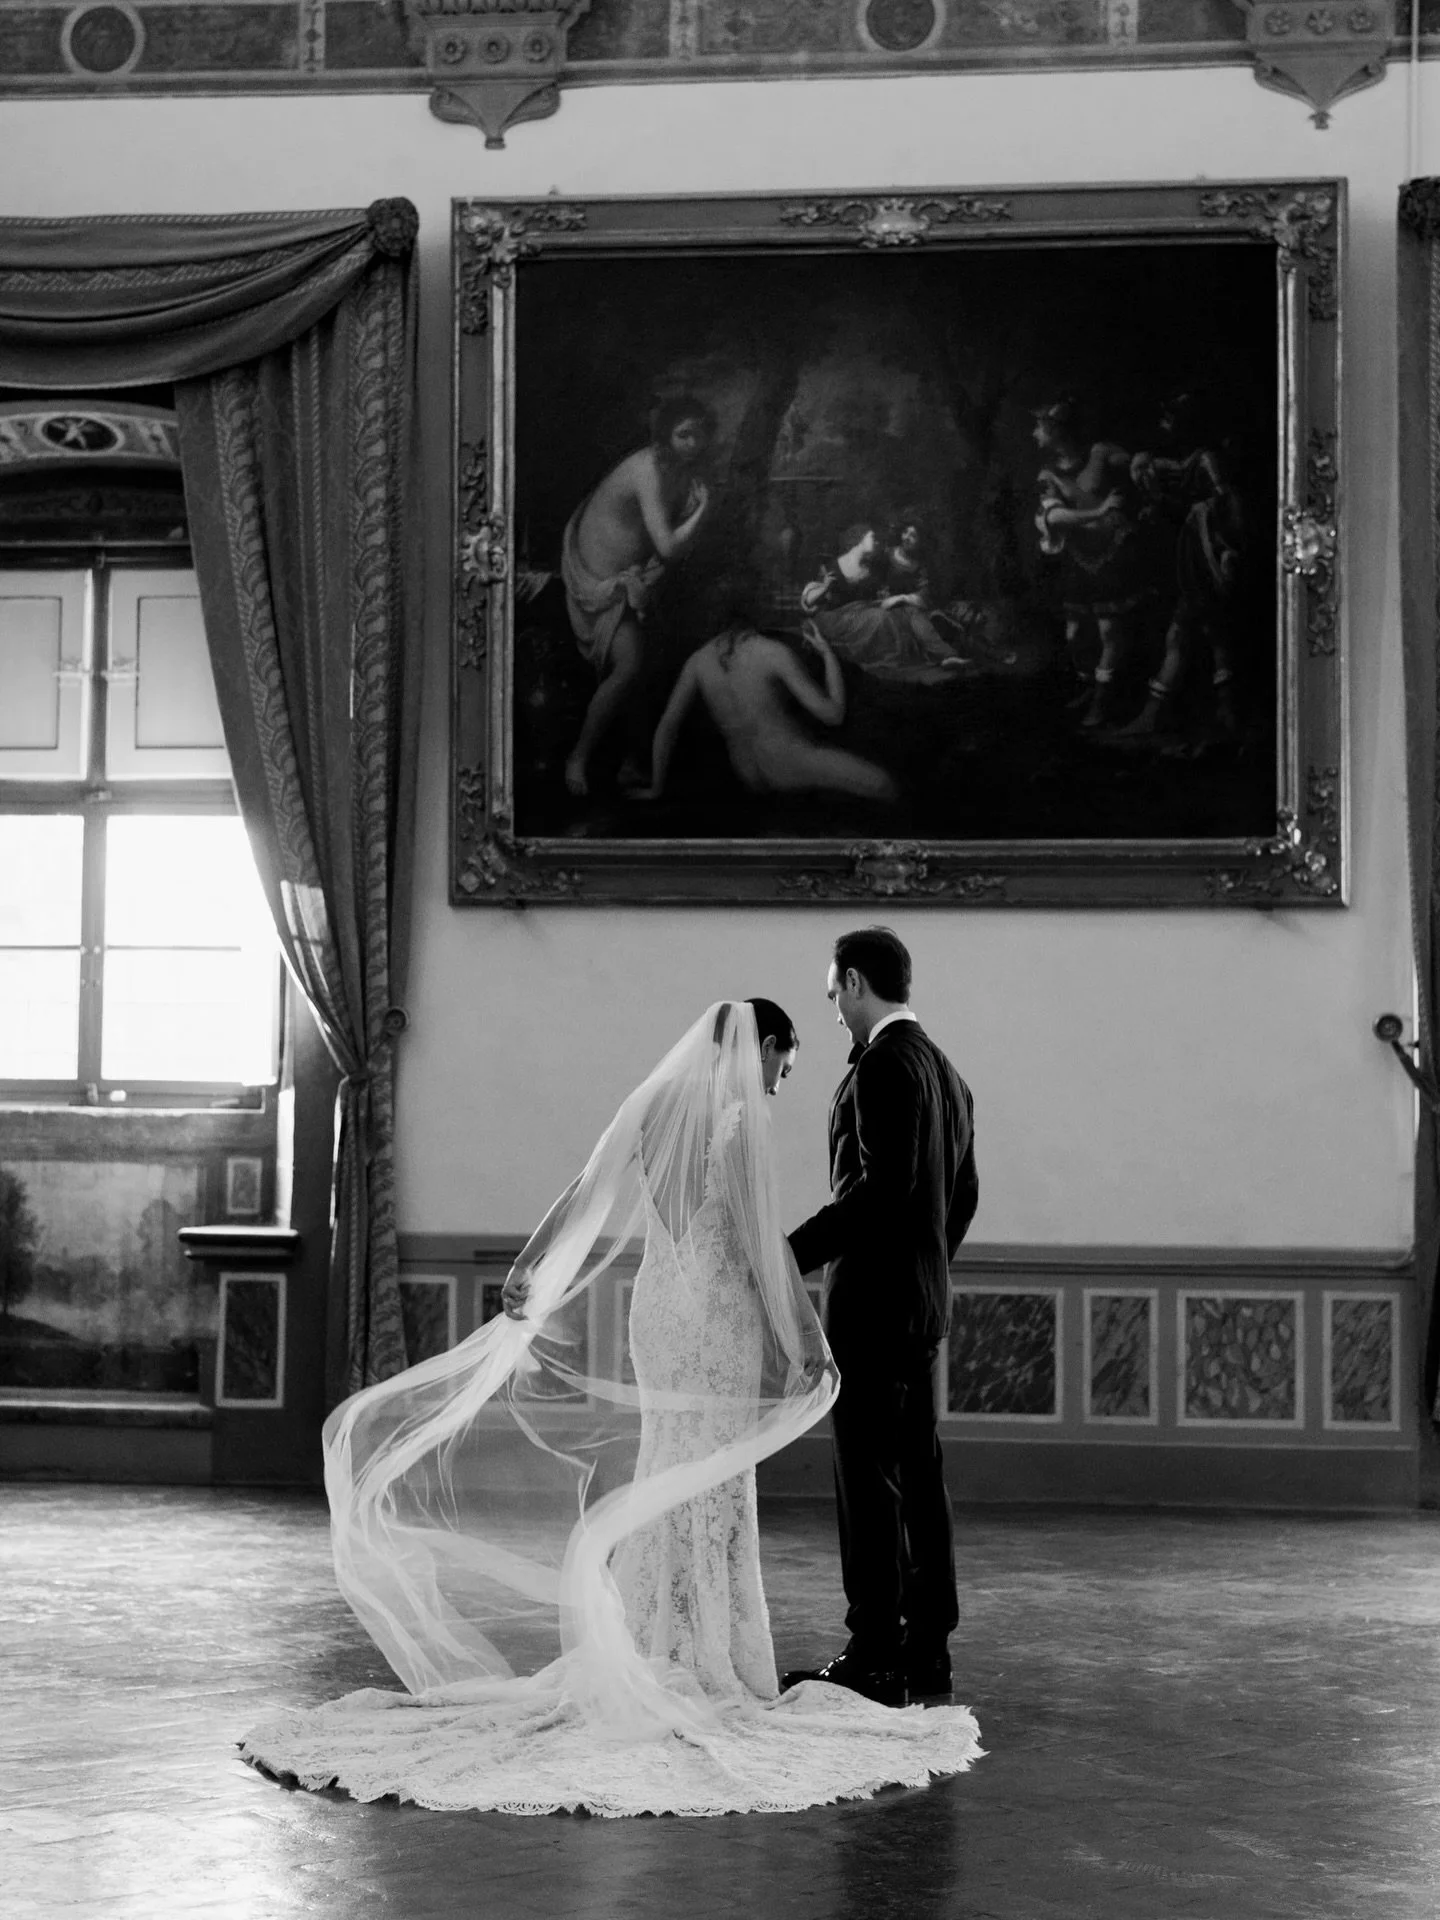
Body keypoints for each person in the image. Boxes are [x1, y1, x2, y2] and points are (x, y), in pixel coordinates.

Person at [239, 999, 981, 1817]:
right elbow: (752, 1240)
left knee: (671, 1462)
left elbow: (585, 1189)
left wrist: (529, 1263)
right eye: (781, 1066)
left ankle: (651, 1639)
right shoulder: (739, 1122)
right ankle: (705, 1657)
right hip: (717, 1315)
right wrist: (800, 1334)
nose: (777, 1084)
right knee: (712, 1477)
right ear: (760, 1047)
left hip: (658, 1310)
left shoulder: (655, 1105)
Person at [785, 929, 978, 1709]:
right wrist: (925, 1268)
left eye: (834, 990)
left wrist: (789, 1254)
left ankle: (873, 1655)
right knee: (919, 1477)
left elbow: (879, 1190)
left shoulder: (882, 1067)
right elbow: (961, 1196)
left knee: (868, 1482)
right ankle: (926, 1651)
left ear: (857, 982)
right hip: (921, 1304)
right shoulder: (947, 1072)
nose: (833, 1007)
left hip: (872, 1308)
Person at [561, 394, 716, 797]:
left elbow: (670, 549)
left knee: (656, 658)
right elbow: (668, 546)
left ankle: (631, 762)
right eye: (684, 434)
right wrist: (703, 511)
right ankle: (578, 757)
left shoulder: (681, 471)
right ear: (666, 435)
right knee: (630, 664)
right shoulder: (646, 467)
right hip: (598, 585)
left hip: (635, 580)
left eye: (699, 435)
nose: (693, 443)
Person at [632, 616, 896, 805]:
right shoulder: (770, 651)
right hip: (789, 763)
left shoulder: (698, 660)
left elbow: (668, 724)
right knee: (884, 784)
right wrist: (827, 654)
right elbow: (833, 715)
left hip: (748, 773)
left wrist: (656, 787)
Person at [1032, 396, 1146, 728]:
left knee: (1110, 632)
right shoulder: (1048, 475)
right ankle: (1089, 685)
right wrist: (1099, 511)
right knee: (1074, 635)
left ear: (1056, 429)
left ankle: (1101, 702)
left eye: (1038, 426)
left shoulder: (1100, 452)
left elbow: (1136, 464)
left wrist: (1141, 461)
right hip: (1081, 558)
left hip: (1113, 553)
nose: (1033, 434)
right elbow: (1054, 517)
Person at [800, 521, 970, 683]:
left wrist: (898, 597)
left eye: (913, 535)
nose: (876, 542)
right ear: (859, 539)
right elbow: (811, 597)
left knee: (910, 613)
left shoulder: (875, 566)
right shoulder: (840, 565)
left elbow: (902, 591)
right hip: (847, 615)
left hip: (877, 607)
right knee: (883, 619)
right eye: (872, 538)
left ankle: (946, 655)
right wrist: (825, 588)